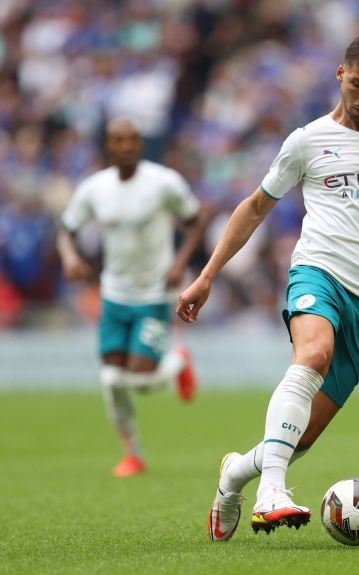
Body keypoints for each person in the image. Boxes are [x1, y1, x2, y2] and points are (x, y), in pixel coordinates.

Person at [176, 34, 359, 540]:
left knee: (303, 436)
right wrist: (206, 275)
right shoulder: (306, 140)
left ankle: (233, 477)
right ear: (340, 74)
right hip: (318, 270)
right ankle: (272, 492)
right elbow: (253, 208)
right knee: (312, 354)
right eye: (357, 85)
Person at [58, 118, 208, 477]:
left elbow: (197, 219)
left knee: (139, 381)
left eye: (132, 140)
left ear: (140, 144)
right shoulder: (95, 189)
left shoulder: (163, 183)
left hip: (155, 294)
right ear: (108, 146)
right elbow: (66, 230)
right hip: (114, 295)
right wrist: (70, 257)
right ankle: (133, 454)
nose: (126, 146)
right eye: (118, 140)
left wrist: (180, 263)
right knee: (111, 380)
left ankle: (176, 361)